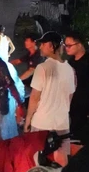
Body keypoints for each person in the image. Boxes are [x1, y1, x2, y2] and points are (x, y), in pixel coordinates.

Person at [25, 31, 76, 164]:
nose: (40, 47)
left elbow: (34, 97)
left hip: (42, 123)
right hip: (62, 124)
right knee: (62, 164)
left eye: (42, 44)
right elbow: (69, 98)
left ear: (51, 45)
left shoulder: (42, 68)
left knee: (37, 163)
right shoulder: (70, 70)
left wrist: (28, 120)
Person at [64, 31, 89, 145]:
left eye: (69, 45)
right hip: (75, 107)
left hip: (88, 107)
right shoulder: (71, 62)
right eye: (65, 45)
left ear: (79, 44)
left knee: (83, 139)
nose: (67, 48)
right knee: (74, 136)